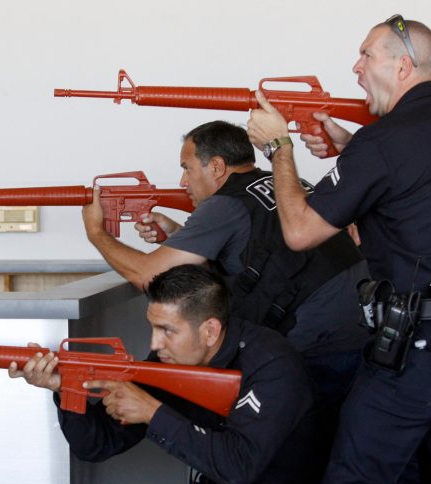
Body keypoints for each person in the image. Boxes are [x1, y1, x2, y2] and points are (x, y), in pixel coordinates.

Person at [247, 14, 431, 484]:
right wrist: (352, 153)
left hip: (421, 351)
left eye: (367, 54)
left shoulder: (383, 142)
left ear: (403, 66)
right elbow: (418, 194)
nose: (355, 67)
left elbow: (300, 232)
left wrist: (279, 147)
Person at [82, 121, 370, 434]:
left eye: (187, 168)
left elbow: (148, 277)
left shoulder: (223, 204)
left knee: (297, 450)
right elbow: (261, 252)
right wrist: (180, 236)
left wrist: (96, 233)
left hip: (317, 345)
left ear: (217, 166)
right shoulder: (285, 182)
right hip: (362, 331)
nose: (182, 181)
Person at [8, 264, 326, 484]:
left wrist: (152, 411)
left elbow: (238, 468)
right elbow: (96, 445)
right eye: (153, 328)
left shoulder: (273, 364)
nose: (154, 344)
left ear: (211, 330)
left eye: (167, 331)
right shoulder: (170, 362)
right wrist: (65, 388)